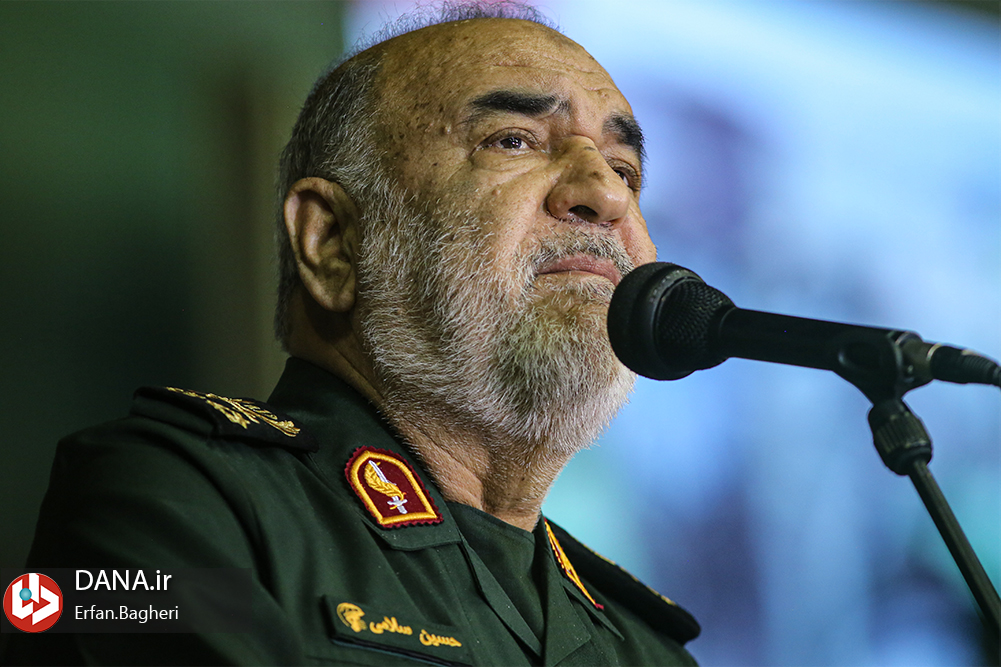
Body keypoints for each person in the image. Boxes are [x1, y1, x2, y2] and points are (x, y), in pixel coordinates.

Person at [3, 2, 700, 664]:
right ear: (332, 242)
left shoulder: (646, 644)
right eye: (511, 140)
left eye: (625, 169)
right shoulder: (177, 506)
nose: (607, 194)